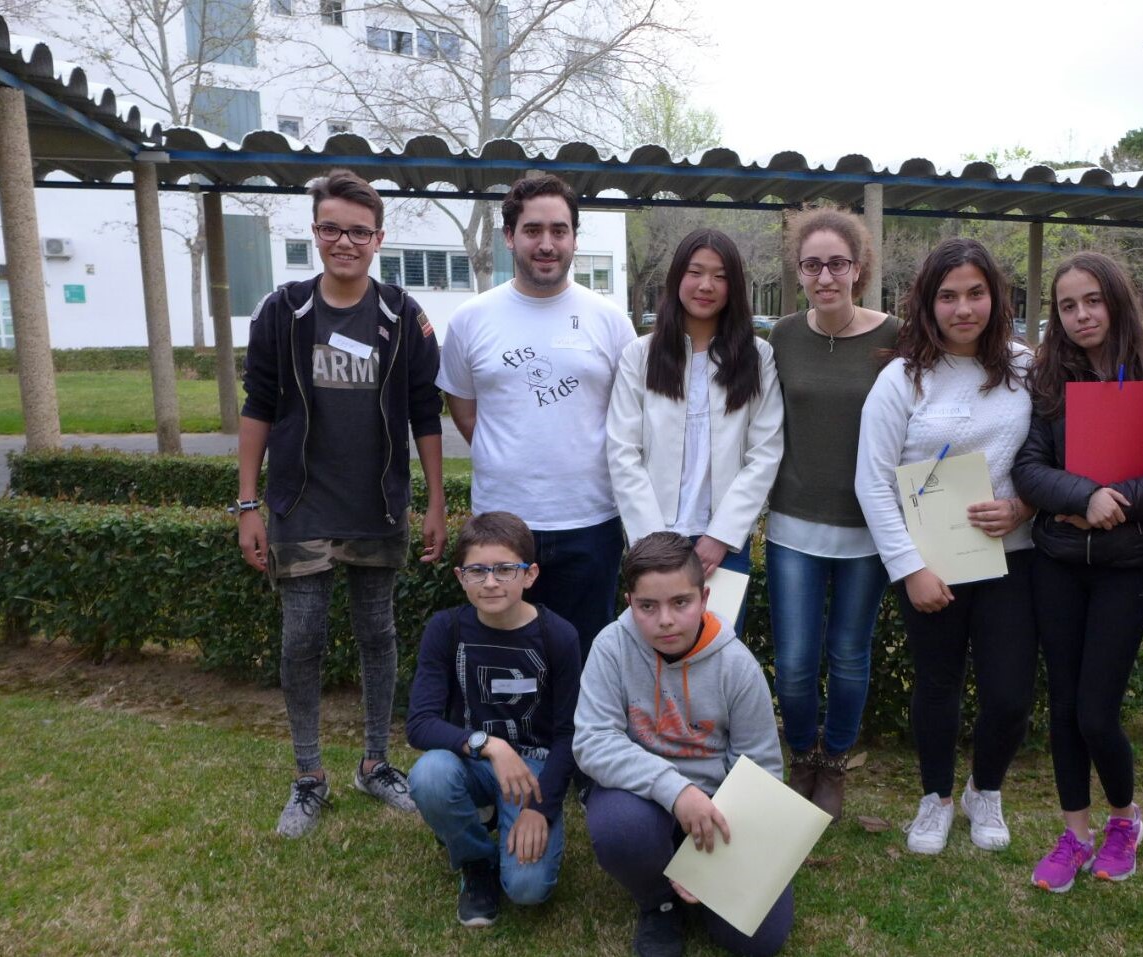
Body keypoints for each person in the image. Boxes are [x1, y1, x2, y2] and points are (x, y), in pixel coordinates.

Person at [237, 168, 445, 838]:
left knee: (378, 634)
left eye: (359, 231)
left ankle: (375, 763)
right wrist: (248, 502)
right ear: (316, 232)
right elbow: (258, 408)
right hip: (300, 505)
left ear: (378, 237)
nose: (345, 241)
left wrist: (436, 500)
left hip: (377, 504)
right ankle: (308, 776)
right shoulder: (283, 311)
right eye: (333, 228)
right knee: (302, 638)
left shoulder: (402, 315)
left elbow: (424, 412)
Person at [1012, 252, 1143, 890]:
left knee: (1096, 712)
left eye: (1092, 300)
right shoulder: (1049, 381)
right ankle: (1075, 832)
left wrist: (1111, 505)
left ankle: (1124, 819)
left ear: (1117, 301)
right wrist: (1080, 495)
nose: (1081, 315)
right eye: (1067, 305)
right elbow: (1028, 467)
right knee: (1062, 705)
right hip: (1056, 563)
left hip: (1124, 567)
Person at [854, 237, 1037, 856]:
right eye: (948, 296)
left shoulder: (1025, 368)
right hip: (931, 564)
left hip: (1012, 556)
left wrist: (1024, 506)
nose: (964, 308)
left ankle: (985, 790)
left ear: (996, 296)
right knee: (937, 685)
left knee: (1010, 693)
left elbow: (1048, 459)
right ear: (927, 304)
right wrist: (910, 569)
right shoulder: (903, 379)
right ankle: (934, 796)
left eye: (976, 293)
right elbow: (871, 480)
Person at [437, 173, 636, 658]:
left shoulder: (610, 320)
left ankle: (577, 739)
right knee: (503, 658)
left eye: (559, 230)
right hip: (499, 529)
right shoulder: (470, 320)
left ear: (573, 237)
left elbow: (630, 415)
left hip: (590, 522)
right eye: (532, 231)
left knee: (586, 657)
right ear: (509, 236)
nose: (546, 243)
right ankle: (504, 740)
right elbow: (464, 408)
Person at [575, 531, 791, 957]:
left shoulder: (737, 666)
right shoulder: (611, 647)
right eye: (647, 606)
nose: (666, 620)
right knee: (618, 828)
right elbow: (592, 741)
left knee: (756, 943)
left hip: (718, 810)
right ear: (629, 602)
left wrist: (711, 861)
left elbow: (762, 769)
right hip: (643, 800)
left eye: (680, 603)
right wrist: (676, 791)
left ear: (704, 597)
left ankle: (697, 875)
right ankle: (658, 901)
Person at [765, 206, 899, 819]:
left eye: (837, 264)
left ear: (859, 269)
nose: (826, 276)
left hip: (869, 530)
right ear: (799, 272)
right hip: (793, 524)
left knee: (849, 654)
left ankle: (836, 762)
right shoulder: (782, 337)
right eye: (813, 264)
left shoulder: (894, 338)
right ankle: (802, 755)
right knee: (793, 661)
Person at [405, 511, 580, 927]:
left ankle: (512, 824)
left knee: (527, 890)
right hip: (475, 762)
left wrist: (540, 807)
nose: (490, 582)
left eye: (505, 569)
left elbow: (569, 733)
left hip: (533, 770)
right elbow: (420, 723)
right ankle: (476, 862)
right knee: (429, 774)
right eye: (477, 571)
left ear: (530, 574)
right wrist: (490, 746)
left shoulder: (559, 636)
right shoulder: (446, 629)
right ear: (460, 577)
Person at [606, 227, 784, 631]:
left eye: (720, 276)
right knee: (655, 655)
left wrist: (721, 536)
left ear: (734, 286)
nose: (706, 286)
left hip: (723, 544)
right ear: (677, 278)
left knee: (717, 654)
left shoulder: (757, 357)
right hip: (652, 538)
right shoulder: (641, 355)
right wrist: (654, 543)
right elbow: (622, 451)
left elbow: (765, 451)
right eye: (695, 272)